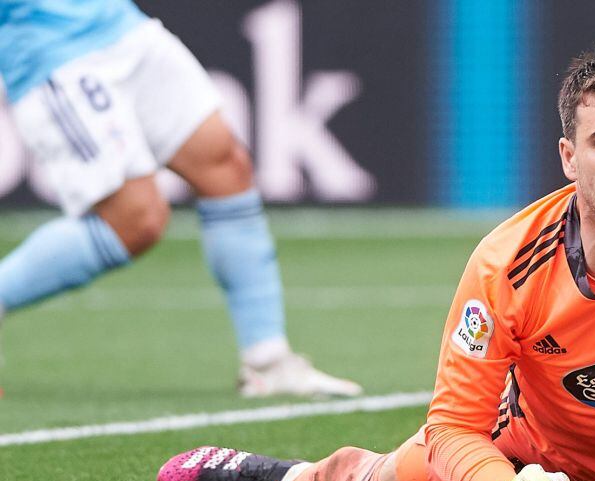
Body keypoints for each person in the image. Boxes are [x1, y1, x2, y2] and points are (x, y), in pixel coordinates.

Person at [157, 44, 595, 481]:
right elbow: (453, 428)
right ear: (567, 157)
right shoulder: (504, 262)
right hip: (543, 455)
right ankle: (280, 478)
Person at [0, 0, 360, 398]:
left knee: (225, 166)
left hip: (122, 26)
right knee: (136, 220)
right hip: (54, 51)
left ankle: (268, 362)